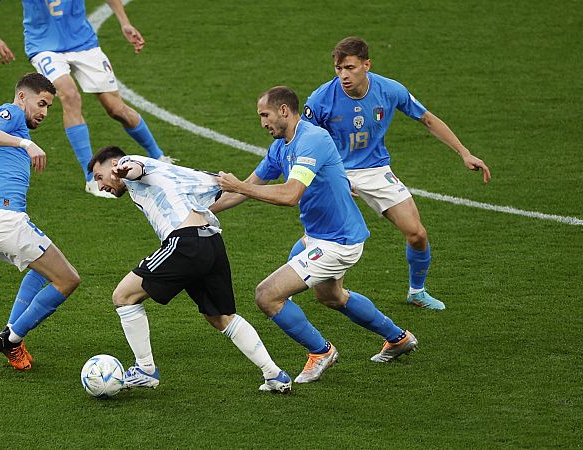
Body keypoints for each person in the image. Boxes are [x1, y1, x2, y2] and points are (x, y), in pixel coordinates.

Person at [212, 86, 417, 383]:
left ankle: (321, 352)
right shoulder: (281, 146)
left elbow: (290, 194)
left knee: (267, 295)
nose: (263, 123)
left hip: (339, 242)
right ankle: (398, 338)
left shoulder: (313, 140)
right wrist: (202, 212)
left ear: (284, 111)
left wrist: (241, 187)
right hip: (321, 236)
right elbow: (245, 188)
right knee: (332, 296)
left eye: (265, 115)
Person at [300, 36, 492, 310]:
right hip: (334, 170)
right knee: (318, 239)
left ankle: (417, 292)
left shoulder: (389, 90)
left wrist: (464, 152)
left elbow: (426, 118)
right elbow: (304, 140)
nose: (343, 75)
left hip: (376, 170)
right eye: (338, 68)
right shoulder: (321, 99)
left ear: (367, 65)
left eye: (350, 68)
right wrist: (328, 176)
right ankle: (285, 284)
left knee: (417, 234)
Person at [87, 146, 292, 393]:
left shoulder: (132, 163)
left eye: (100, 177)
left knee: (124, 296)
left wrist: (124, 170)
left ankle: (145, 369)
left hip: (185, 243)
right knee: (220, 317)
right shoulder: (168, 173)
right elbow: (213, 188)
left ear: (114, 165)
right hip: (211, 241)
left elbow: (134, 168)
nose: (100, 187)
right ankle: (274, 375)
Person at [0, 0, 174, 199]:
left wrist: (125, 22)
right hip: (44, 46)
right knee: (70, 94)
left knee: (116, 108)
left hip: (85, 43)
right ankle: (91, 179)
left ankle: (158, 156)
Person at [0, 73, 81, 371]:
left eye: (48, 107)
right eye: (41, 103)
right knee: (68, 279)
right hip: (4, 219)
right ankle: (12, 338)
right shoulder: (11, 112)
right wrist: (25, 144)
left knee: (41, 271)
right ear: (22, 97)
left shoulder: (18, 126)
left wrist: (23, 143)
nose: (44, 112)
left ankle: (11, 335)